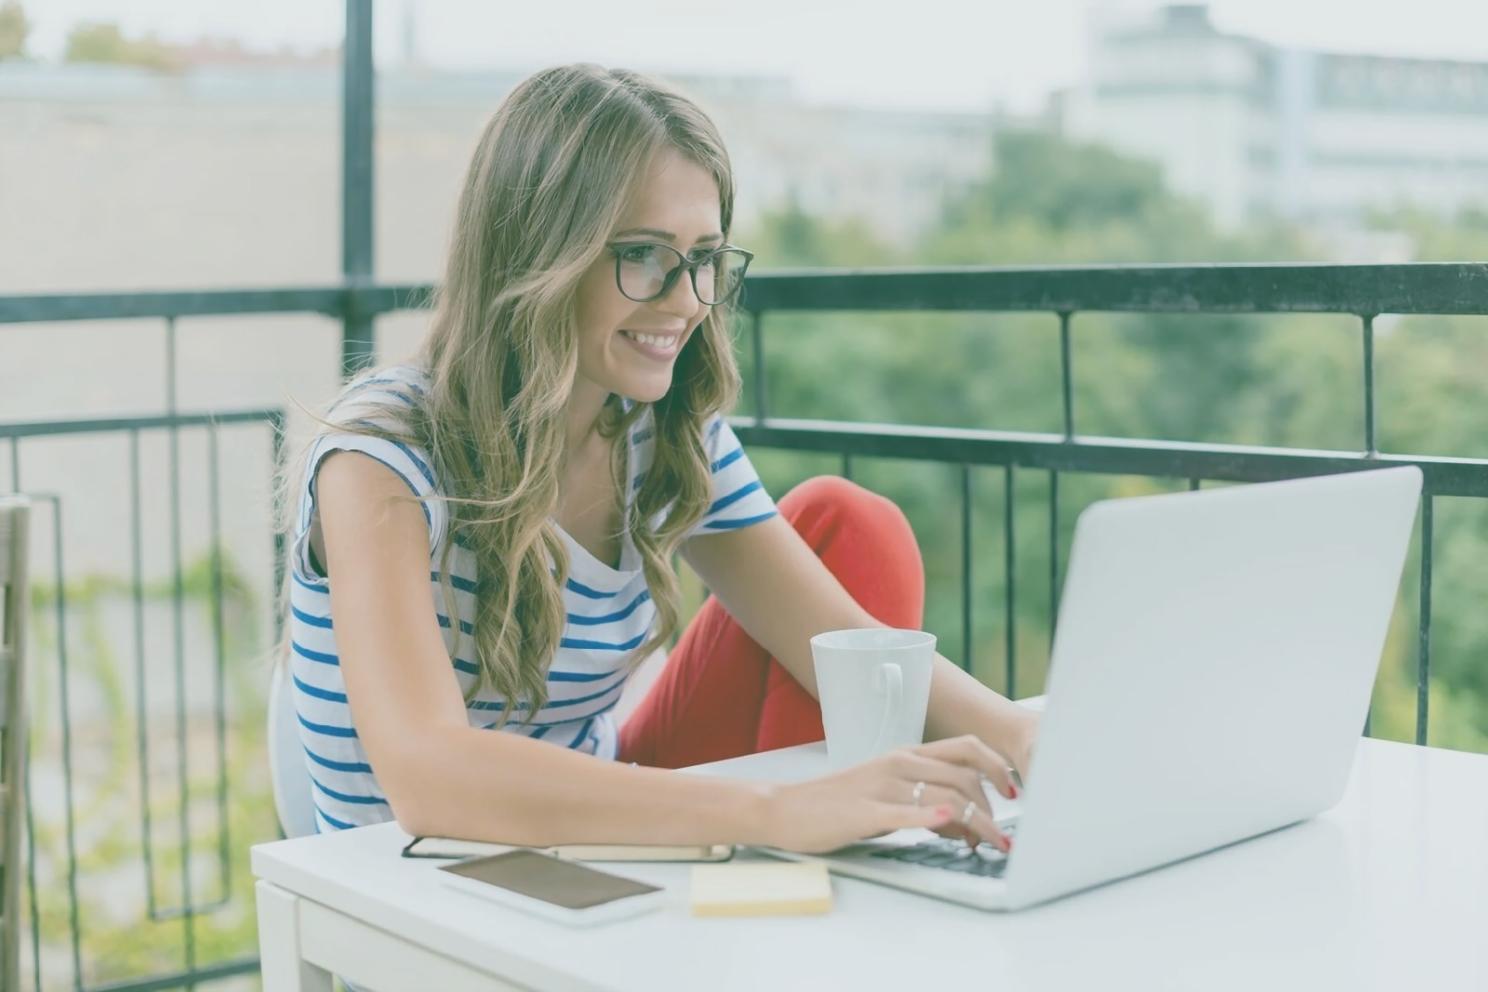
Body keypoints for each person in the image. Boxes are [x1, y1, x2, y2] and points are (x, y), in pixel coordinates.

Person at [281, 63, 1039, 856]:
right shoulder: (381, 457)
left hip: (597, 838)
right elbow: (429, 777)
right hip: (425, 878)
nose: (686, 300)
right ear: (538, 255)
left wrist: (1032, 737)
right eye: (644, 254)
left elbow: (854, 651)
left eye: (705, 257)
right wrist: (776, 810)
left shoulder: (660, 429)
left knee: (849, 526)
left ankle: (808, 901)